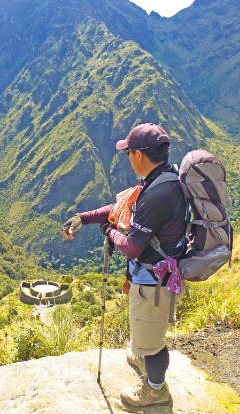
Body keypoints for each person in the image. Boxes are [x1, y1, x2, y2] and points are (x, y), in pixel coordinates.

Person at [61, 123, 187, 409]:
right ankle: (142, 356)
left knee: (153, 343)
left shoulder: (156, 194)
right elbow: (120, 209)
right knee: (146, 332)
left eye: (128, 151)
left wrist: (108, 232)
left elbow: (131, 246)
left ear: (140, 155)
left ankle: (156, 390)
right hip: (153, 278)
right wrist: (84, 217)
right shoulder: (162, 178)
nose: (127, 156)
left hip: (153, 284)